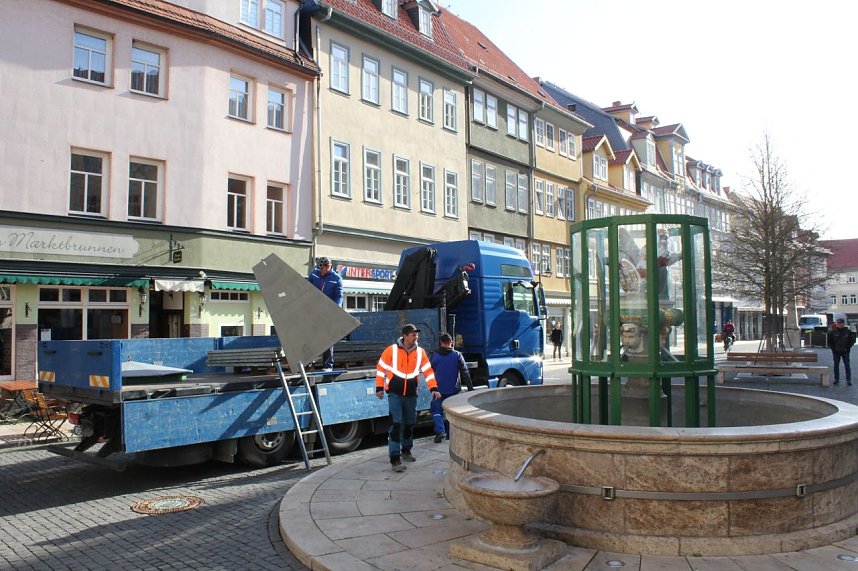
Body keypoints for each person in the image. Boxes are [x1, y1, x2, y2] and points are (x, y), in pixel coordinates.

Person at [375, 324, 441, 472]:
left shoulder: (420, 352)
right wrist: (379, 388)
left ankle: (406, 450)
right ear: (404, 336)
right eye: (413, 334)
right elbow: (381, 369)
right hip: (395, 393)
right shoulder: (391, 350)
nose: (416, 337)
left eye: (416, 334)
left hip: (411, 393)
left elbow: (428, 372)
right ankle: (395, 458)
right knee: (396, 424)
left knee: (410, 422)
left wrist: (434, 388)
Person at [429, 333, 473, 443]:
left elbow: (429, 372)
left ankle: (440, 431)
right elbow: (465, 372)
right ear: (451, 342)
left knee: (436, 411)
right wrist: (470, 388)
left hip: (438, 390)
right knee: (451, 413)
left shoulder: (435, 356)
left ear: (441, 343)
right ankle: (449, 435)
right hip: (453, 390)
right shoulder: (457, 355)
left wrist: (432, 387)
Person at [307, 256, 343, 369]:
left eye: (322, 269)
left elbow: (339, 297)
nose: (320, 271)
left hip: (328, 312)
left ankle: (328, 365)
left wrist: (335, 310)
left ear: (329, 266)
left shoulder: (336, 279)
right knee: (309, 336)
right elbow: (307, 288)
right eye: (319, 268)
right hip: (314, 310)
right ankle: (308, 362)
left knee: (327, 339)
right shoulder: (314, 273)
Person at [828, 318, 856, 385]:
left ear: (843, 324)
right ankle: (836, 379)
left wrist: (848, 348)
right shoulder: (833, 332)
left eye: (840, 323)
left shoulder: (848, 331)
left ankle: (848, 380)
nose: (839, 324)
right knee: (836, 365)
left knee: (847, 365)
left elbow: (852, 341)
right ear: (837, 324)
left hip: (845, 352)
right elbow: (829, 341)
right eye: (838, 323)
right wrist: (833, 349)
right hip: (836, 352)